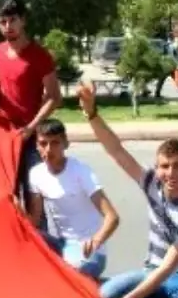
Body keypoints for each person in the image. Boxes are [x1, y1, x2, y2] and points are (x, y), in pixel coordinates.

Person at [78, 83, 178, 298]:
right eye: (164, 166)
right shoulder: (152, 183)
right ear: (157, 167)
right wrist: (91, 113)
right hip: (152, 270)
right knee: (104, 294)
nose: (170, 173)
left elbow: (170, 265)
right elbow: (117, 151)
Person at [0, 0, 62, 214]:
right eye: (3, 22)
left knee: (35, 200)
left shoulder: (40, 55)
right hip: (5, 136)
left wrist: (31, 128)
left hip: (32, 138)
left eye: (12, 20)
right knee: (8, 197)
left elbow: (55, 96)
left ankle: (41, 244)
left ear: (23, 21)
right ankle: (14, 244)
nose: (8, 27)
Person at [27, 118, 119, 279]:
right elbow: (34, 222)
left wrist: (96, 241)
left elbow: (112, 217)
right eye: (43, 143)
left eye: (55, 143)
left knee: (71, 276)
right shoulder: (36, 174)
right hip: (59, 244)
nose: (48, 149)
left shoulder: (81, 171)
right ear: (36, 145)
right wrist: (18, 212)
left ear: (65, 144)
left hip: (87, 248)